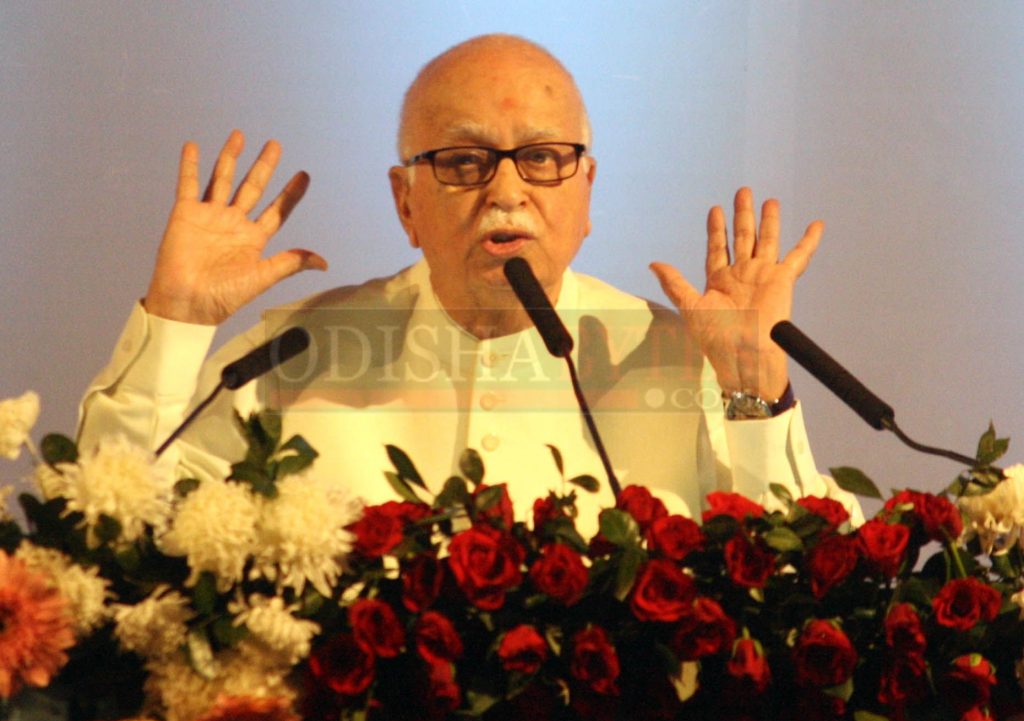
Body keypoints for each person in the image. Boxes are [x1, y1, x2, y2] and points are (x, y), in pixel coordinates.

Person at [77, 34, 859, 530]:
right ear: (405, 202)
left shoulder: (682, 362)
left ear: (587, 193)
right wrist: (174, 322)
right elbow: (105, 527)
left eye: (544, 157)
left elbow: (810, 590)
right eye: (462, 161)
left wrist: (756, 386)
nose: (507, 191)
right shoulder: (289, 356)